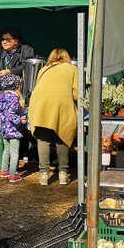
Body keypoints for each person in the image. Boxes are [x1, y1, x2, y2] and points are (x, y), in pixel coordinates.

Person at [28, 48, 78, 186]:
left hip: (40, 105)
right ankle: (63, 173)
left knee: (43, 139)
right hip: (61, 104)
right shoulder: (72, 69)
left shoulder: (44, 69)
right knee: (62, 137)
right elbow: (76, 94)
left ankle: (44, 174)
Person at [0, 74, 27, 183]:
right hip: (13, 129)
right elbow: (11, 114)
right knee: (14, 152)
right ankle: (13, 175)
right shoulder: (13, 98)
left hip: (3, 129)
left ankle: (4, 170)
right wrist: (20, 120)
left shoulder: (1, 96)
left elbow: (3, 112)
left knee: (6, 150)